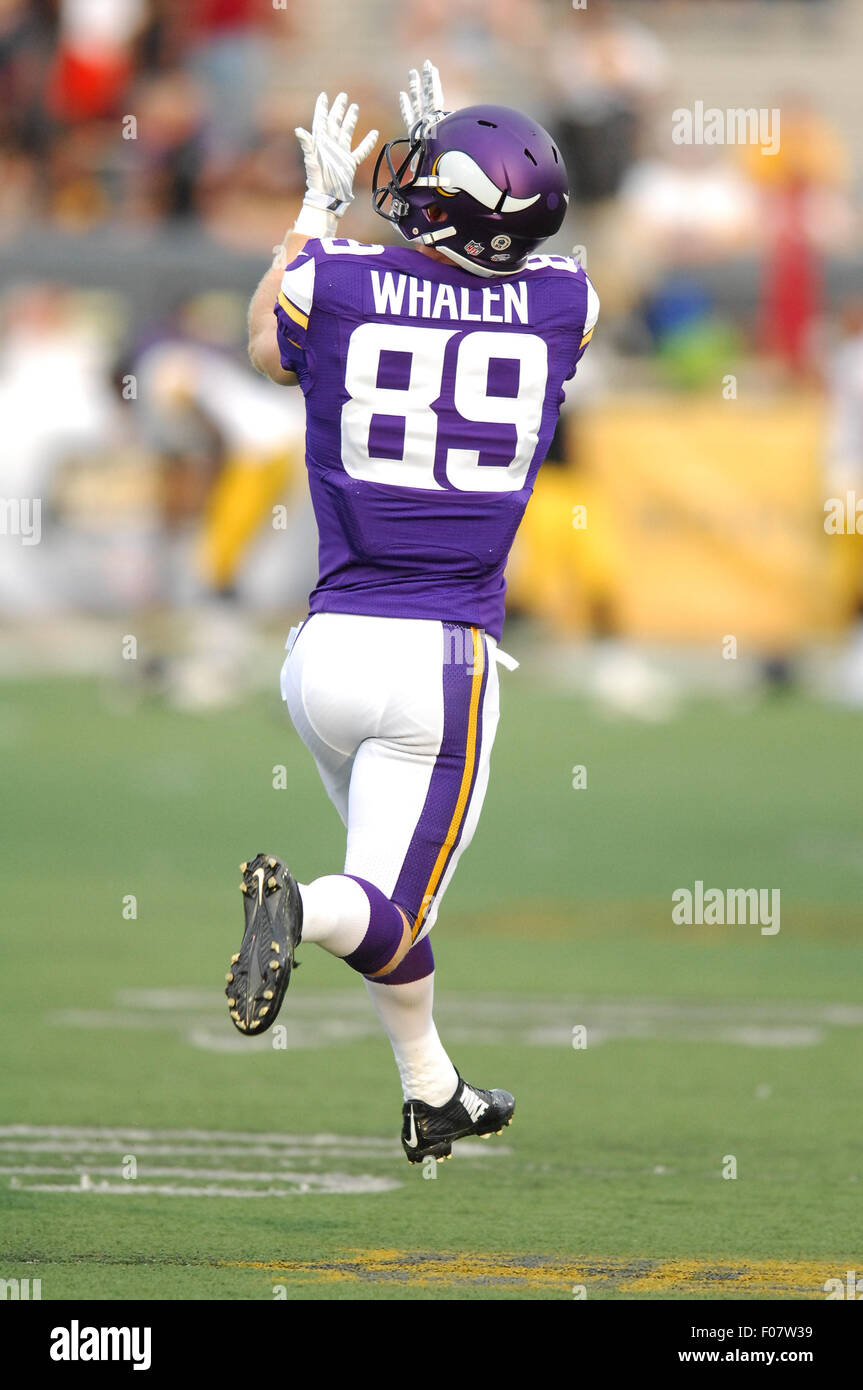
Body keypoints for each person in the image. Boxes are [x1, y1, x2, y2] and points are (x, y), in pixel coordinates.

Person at [226, 62, 599, 1164]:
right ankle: (292, 909)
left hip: (323, 651)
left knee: (392, 899)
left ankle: (431, 1091)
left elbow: (262, 342)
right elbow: (491, 266)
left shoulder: (334, 279)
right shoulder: (562, 305)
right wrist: (455, 178)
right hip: (439, 661)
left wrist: (309, 211)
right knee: (375, 901)